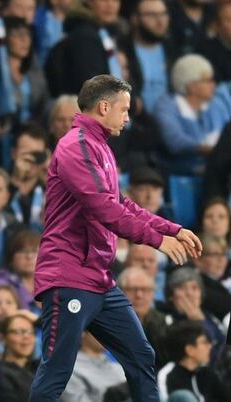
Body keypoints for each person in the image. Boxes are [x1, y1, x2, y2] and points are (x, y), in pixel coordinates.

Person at [28, 74, 202, 401]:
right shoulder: (75, 146)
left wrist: (171, 228)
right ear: (104, 106)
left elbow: (122, 203)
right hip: (68, 276)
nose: (127, 117)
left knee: (141, 355)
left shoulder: (101, 148)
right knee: (57, 370)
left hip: (99, 279)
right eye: (123, 110)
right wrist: (157, 241)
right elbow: (103, 209)